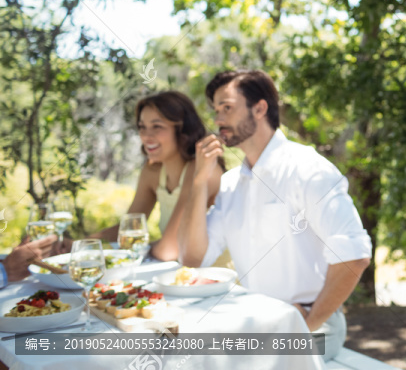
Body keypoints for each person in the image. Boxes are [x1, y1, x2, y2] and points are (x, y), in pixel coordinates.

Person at [178, 70, 372, 362]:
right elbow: (194, 260)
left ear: (260, 108)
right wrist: (198, 182)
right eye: (216, 111)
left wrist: (303, 327)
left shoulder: (307, 169)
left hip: (315, 326)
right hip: (255, 322)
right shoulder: (231, 185)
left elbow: (354, 254)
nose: (218, 120)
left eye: (227, 108)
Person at [91, 91, 226, 262]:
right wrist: (79, 244)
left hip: (214, 278)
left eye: (157, 126)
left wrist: (140, 247)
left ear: (182, 129)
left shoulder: (201, 169)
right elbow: (128, 231)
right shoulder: (153, 172)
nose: (146, 136)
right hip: (176, 275)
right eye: (142, 127)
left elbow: (169, 250)